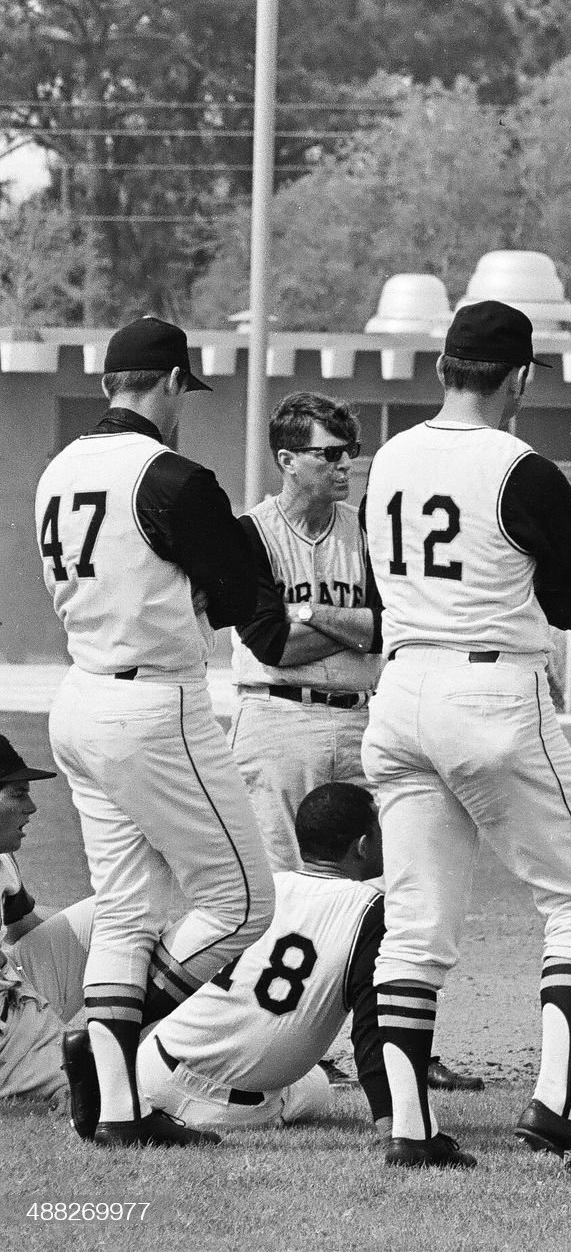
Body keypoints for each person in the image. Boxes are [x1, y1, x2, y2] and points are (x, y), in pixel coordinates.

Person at [361, 300, 571, 1170]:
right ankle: (556, 1103)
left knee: (415, 922)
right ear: (519, 377)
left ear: (442, 368)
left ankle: (409, 1127)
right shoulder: (523, 467)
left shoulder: (391, 454)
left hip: (398, 690)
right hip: (489, 688)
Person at [35, 316, 273, 1147]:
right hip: (153, 704)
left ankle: (120, 1111)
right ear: (171, 382)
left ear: (108, 384)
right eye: (187, 391)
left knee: (130, 910)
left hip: (80, 695)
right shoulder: (171, 475)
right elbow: (243, 600)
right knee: (243, 904)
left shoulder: (57, 468)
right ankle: (106, 1048)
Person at [134, 783, 391, 1133]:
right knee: (316, 1088)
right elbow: (373, 1030)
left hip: (148, 1072)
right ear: (361, 847)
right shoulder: (371, 911)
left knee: (311, 1082)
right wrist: (392, 1125)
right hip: (228, 1113)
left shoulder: (255, 889)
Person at [229, 391, 382, 874]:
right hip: (278, 720)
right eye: (331, 453)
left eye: (349, 453)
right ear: (288, 460)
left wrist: (309, 612)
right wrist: (353, 625)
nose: (345, 466)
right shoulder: (249, 533)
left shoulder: (365, 532)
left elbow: (386, 628)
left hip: (361, 720)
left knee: (371, 874)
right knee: (279, 878)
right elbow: (273, 644)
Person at [0, 734, 93, 1110]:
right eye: (18, 794)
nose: (32, 807)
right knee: (114, 1080)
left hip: (14, 993)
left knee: (118, 915)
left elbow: (26, 928)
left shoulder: (2, 858)